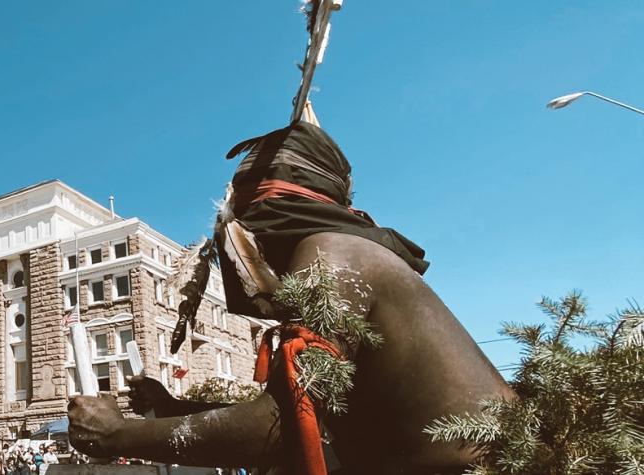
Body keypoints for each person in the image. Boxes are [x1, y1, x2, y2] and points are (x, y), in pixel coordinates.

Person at [67, 121, 515, 473]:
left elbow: (281, 426)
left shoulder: (330, 254)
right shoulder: (344, 253)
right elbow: (303, 417)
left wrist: (116, 435)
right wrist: (173, 409)